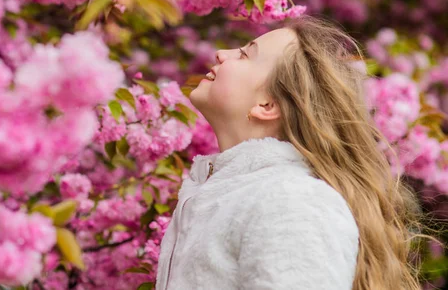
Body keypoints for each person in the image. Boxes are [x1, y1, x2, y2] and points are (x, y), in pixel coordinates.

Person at [156, 16, 423, 290]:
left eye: (245, 55)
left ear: (268, 104)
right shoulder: (230, 194)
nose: (222, 54)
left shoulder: (293, 200)